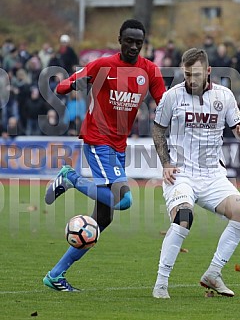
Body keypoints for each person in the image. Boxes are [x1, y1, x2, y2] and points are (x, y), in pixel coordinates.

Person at [42, 19, 166, 291]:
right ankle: (71, 177)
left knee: (103, 219)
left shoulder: (150, 71)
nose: (133, 46)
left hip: (118, 147)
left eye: (138, 43)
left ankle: (55, 275)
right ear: (119, 39)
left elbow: (165, 102)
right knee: (124, 201)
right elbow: (61, 87)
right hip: (98, 140)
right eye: (129, 41)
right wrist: (75, 84)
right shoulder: (103, 66)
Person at [151, 48, 240, 299]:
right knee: (184, 215)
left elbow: (236, 123)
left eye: (196, 74)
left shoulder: (224, 96)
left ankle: (213, 273)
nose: (191, 80)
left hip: (212, 174)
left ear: (208, 72)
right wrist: (165, 163)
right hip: (181, 172)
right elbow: (158, 130)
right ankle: (161, 282)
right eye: (186, 74)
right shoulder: (172, 97)